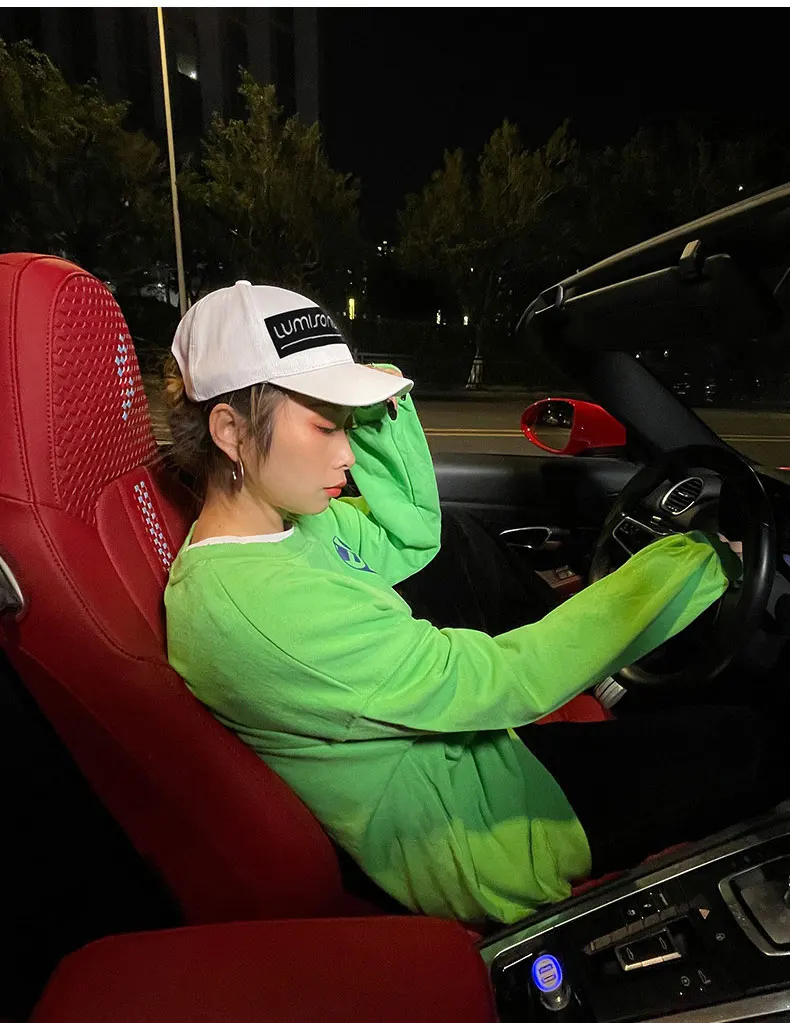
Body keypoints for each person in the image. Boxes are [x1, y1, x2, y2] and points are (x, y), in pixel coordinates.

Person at [163, 281, 776, 927]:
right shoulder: (249, 602)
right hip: (479, 836)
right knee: (752, 740)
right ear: (230, 430)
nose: (346, 452)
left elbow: (412, 538)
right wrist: (697, 561)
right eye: (325, 424)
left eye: (349, 424)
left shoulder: (293, 525)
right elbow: (502, 679)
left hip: (484, 761)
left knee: (724, 730)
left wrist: (378, 410)